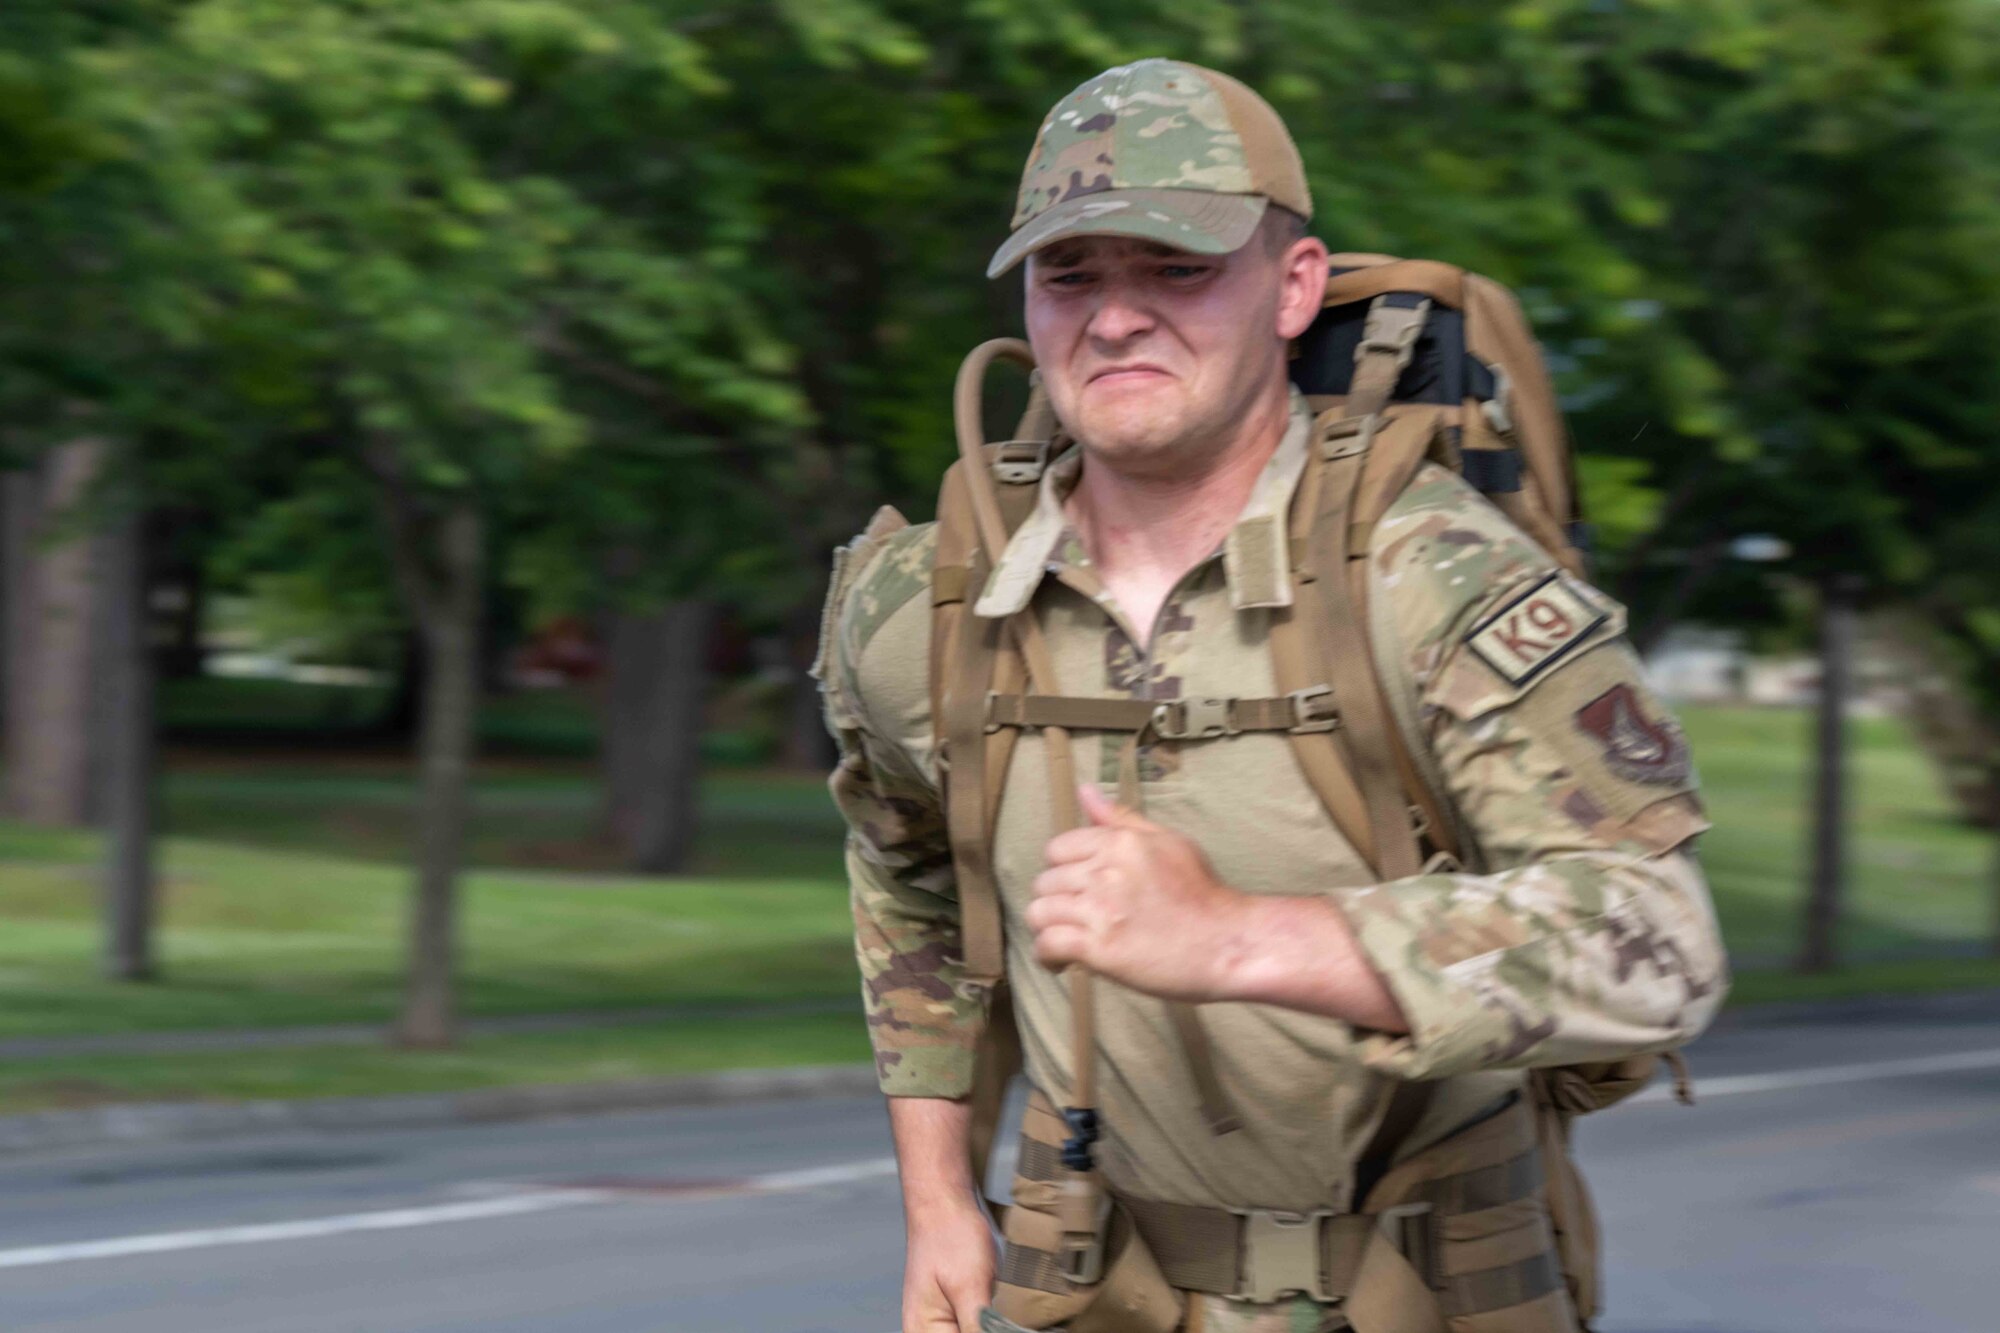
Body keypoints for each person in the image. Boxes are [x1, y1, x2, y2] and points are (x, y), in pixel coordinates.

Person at [816, 57, 1729, 1333]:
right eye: (1069, 275)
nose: (1116, 318)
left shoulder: (1429, 578)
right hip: (1088, 1282)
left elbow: (1658, 941)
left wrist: (1240, 938)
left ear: (1293, 289)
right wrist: (937, 1204)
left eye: (1177, 268)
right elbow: (906, 872)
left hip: (1429, 1283)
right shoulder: (921, 605)